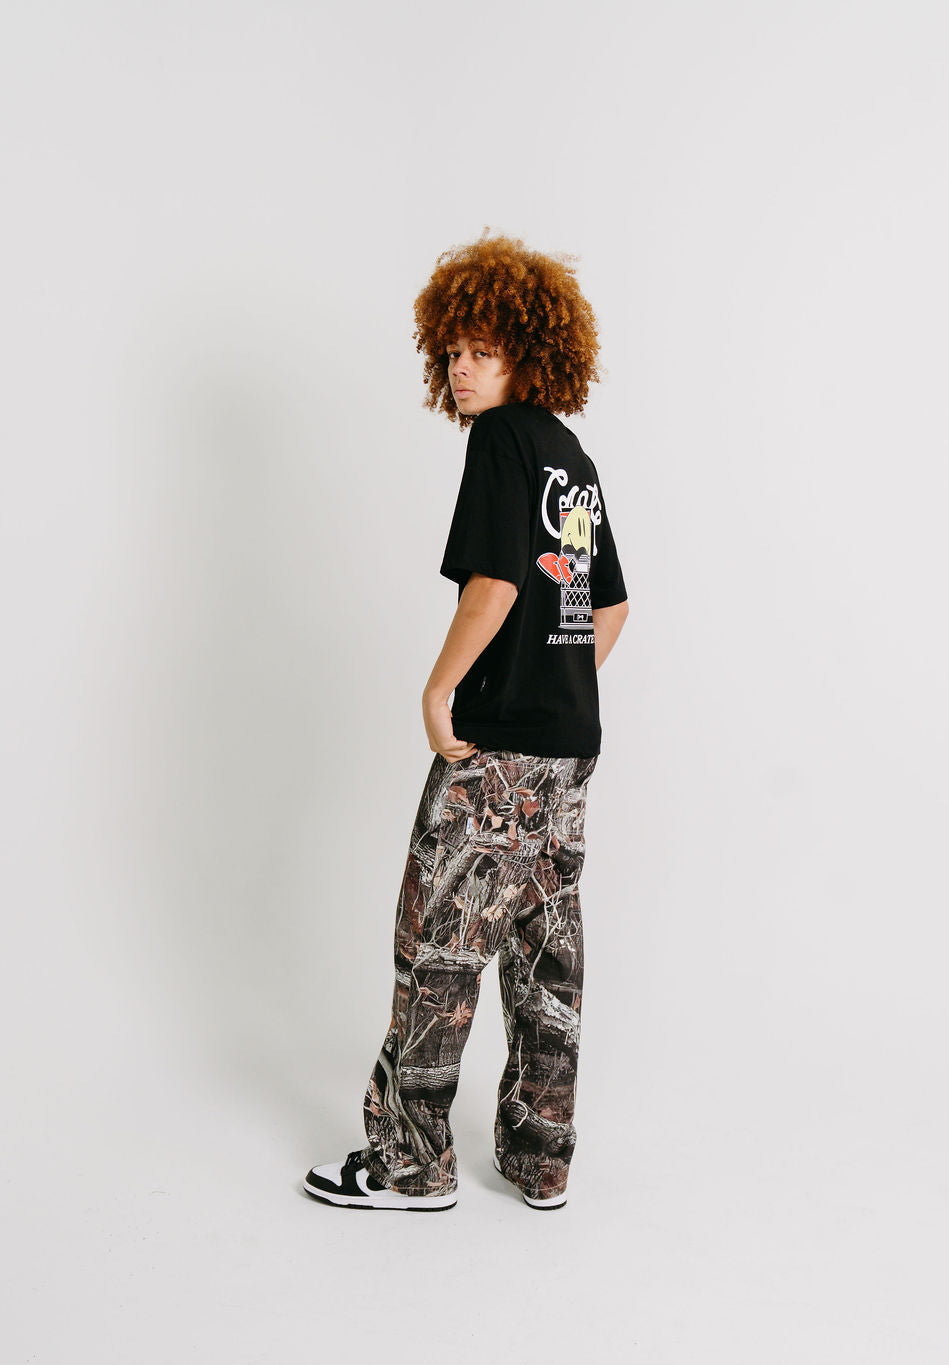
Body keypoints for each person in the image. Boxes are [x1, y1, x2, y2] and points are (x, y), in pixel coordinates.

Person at [303, 231, 629, 1212]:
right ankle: (540, 1160)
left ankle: (411, 1164)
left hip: (495, 755)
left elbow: (494, 585)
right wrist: (555, 680)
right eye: (453, 351)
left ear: (529, 353)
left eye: (483, 351)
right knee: (545, 957)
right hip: (568, 753)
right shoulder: (570, 458)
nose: (461, 369)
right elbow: (609, 607)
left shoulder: (501, 442)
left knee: (437, 945)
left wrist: (442, 689)